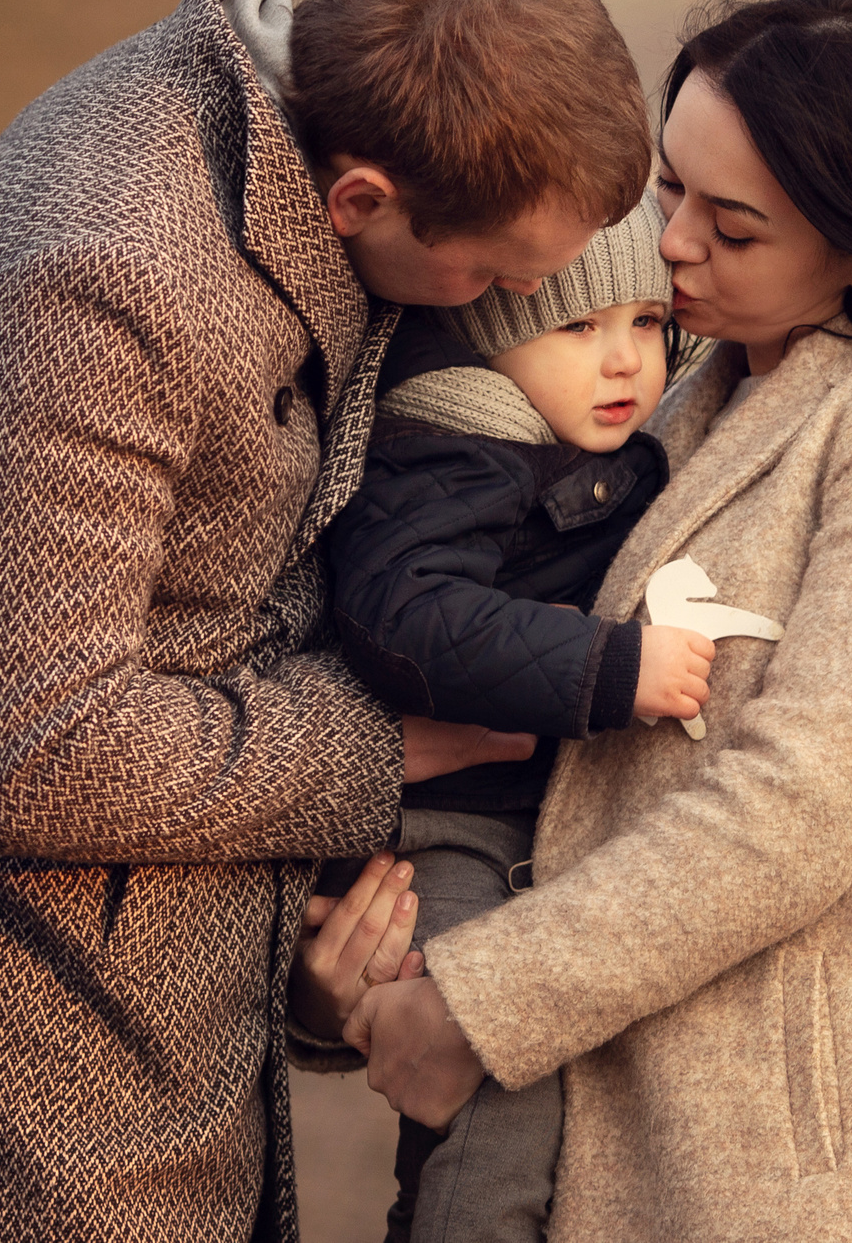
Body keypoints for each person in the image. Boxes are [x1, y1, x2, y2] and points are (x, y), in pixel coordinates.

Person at [0, 0, 653, 1243]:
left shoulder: (325, 118)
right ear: (361, 202)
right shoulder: (100, 282)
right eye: (495, 279)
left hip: (147, 977)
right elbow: (28, 745)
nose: (506, 310)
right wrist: (388, 742)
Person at [346, 0, 852, 1241]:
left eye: (730, 225)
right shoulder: (670, 397)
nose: (669, 245)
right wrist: (370, 969)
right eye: (665, 188)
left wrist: (477, 1001)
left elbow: (803, 799)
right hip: (596, 1130)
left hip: (787, 1168)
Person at [291, 199, 717, 1243]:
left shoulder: (567, 441)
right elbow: (409, 619)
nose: (622, 362)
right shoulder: (454, 441)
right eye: (577, 328)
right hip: (440, 835)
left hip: (507, 826)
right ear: (493, 329)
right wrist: (611, 666)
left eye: (645, 325)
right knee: (495, 1085)